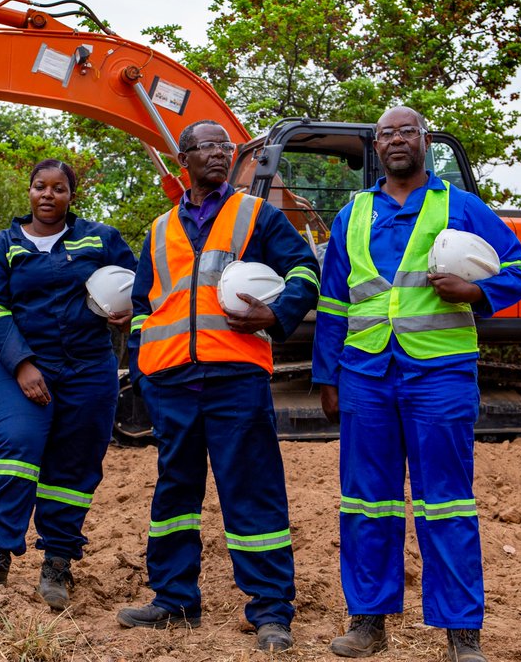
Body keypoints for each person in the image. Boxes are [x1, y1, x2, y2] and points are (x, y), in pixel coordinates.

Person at [313, 106, 521, 662]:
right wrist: (327, 373)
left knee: (448, 503)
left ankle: (463, 635)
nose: (395, 140)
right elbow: (334, 301)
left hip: (439, 373)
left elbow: (520, 270)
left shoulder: (458, 205)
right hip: (365, 375)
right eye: (385, 133)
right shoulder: (353, 214)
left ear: (424, 140)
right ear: (376, 147)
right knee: (366, 504)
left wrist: (476, 292)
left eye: (405, 131)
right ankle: (368, 623)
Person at [115, 120, 319, 652]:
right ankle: (173, 599)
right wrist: (143, 372)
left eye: (224, 146)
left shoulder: (257, 214)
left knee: (251, 491)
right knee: (175, 492)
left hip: (235, 375)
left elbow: (305, 271)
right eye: (207, 146)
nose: (220, 153)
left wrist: (277, 313)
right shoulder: (159, 230)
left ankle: (271, 610)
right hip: (170, 381)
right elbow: (142, 306)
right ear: (183, 159)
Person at [0, 159, 138, 610]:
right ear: (29, 191)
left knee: (75, 467)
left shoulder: (101, 238)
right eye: (40, 187)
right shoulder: (2, 246)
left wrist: (132, 311)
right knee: (17, 445)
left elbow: (137, 284)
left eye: (59, 188)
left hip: (90, 369)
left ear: (72, 195)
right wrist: (22, 364)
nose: (48, 196)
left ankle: (57, 563)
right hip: (24, 368)